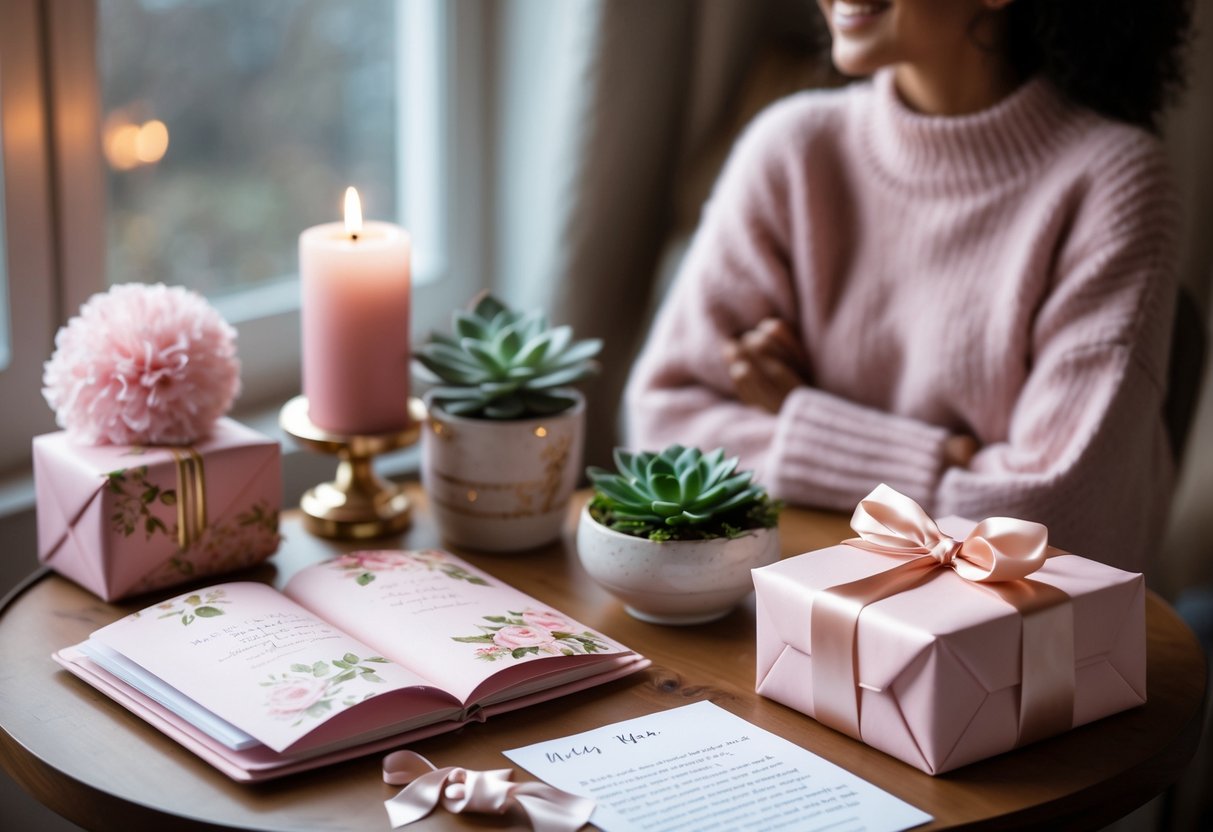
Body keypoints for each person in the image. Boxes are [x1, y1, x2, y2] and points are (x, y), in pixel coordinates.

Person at [624, 0, 1193, 571]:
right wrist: (945, 458)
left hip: (1010, 642)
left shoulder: (1114, 186)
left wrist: (800, 419)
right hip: (793, 610)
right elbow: (659, 428)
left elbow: (1048, 515)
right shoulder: (791, 149)